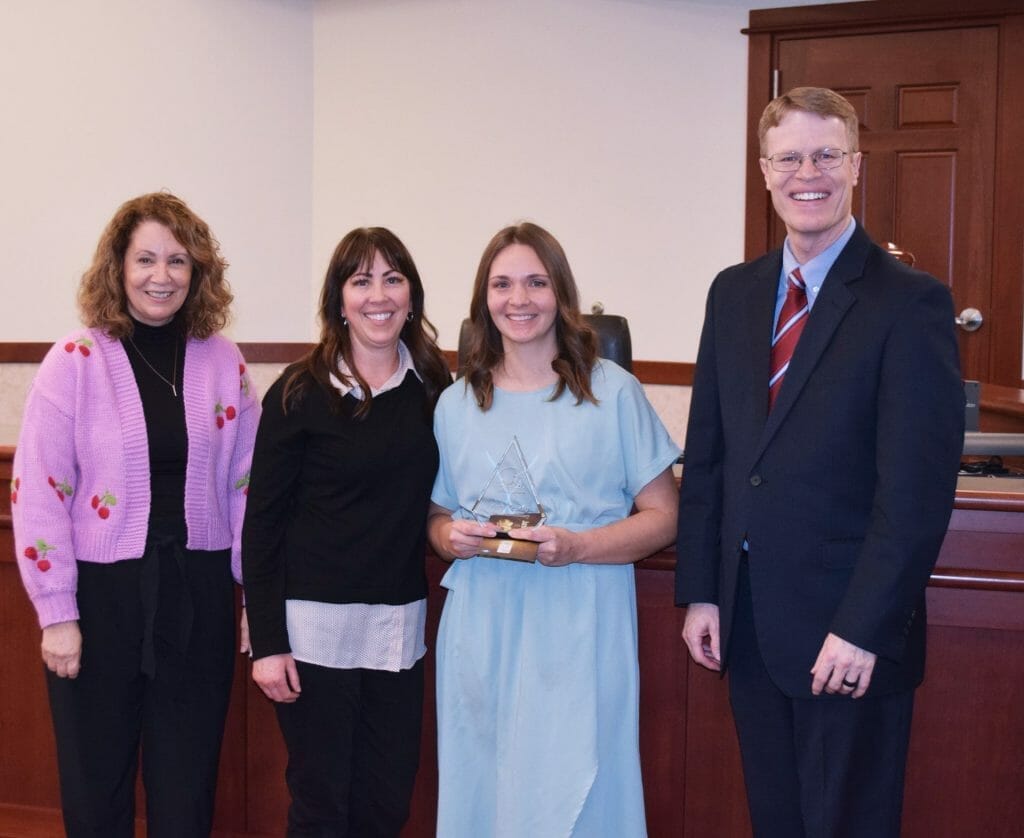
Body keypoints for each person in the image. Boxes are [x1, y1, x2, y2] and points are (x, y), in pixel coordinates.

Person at [675, 87, 965, 838]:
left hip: (849, 636)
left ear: (856, 165)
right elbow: (709, 457)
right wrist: (702, 593)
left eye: (827, 155)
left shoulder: (910, 303)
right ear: (765, 172)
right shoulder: (733, 294)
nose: (809, 174)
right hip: (747, 624)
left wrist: (864, 628)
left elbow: (915, 495)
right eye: (790, 158)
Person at [10, 192, 259, 837]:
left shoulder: (223, 361)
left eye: (178, 260)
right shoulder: (74, 362)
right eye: (145, 259)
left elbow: (248, 488)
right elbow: (39, 492)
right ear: (118, 267)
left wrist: (254, 596)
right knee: (96, 787)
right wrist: (57, 614)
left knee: (187, 787)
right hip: (100, 597)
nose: (161, 276)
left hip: (198, 593)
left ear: (198, 271)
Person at [428, 222, 680, 837]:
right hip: (483, 628)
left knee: (580, 788)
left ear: (561, 293)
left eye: (536, 282)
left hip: (581, 618)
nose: (519, 299)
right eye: (502, 284)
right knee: (484, 791)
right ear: (483, 299)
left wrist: (579, 546)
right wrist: (447, 538)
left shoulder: (612, 392)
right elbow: (437, 516)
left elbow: (665, 516)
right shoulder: (456, 402)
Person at [241, 227, 451, 837]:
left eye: (392, 279)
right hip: (313, 634)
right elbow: (263, 525)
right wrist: (268, 642)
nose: (377, 296)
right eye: (361, 281)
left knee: (386, 804)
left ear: (411, 297)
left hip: (396, 629)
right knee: (321, 806)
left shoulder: (436, 389)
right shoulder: (298, 391)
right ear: (339, 300)